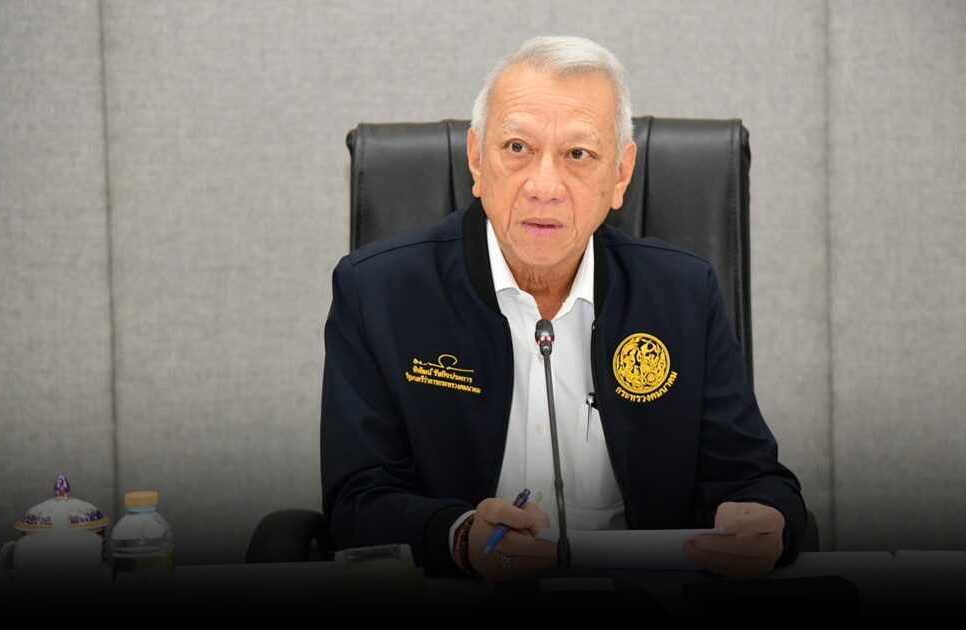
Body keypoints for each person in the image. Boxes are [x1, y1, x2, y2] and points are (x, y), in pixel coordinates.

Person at [321, 35, 806, 583]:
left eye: (578, 154)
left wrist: (770, 522)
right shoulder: (377, 292)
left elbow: (757, 482)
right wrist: (457, 535)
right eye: (517, 148)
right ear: (477, 160)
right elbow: (357, 501)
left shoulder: (684, 294)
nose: (544, 186)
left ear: (620, 174)